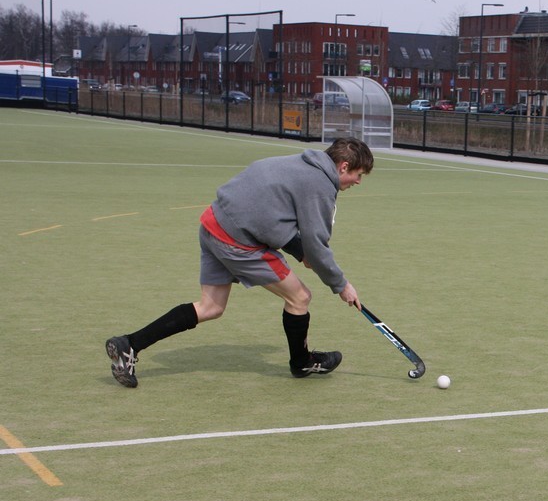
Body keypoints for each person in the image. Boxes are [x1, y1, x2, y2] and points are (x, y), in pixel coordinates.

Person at [104, 137, 373, 388]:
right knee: (299, 297)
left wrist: (300, 252)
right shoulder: (320, 184)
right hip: (237, 241)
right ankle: (302, 363)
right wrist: (341, 285)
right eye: (358, 175)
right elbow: (316, 244)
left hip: (213, 222)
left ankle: (130, 344)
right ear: (343, 166)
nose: (358, 181)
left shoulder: (300, 162)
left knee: (210, 307)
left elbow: (268, 211)